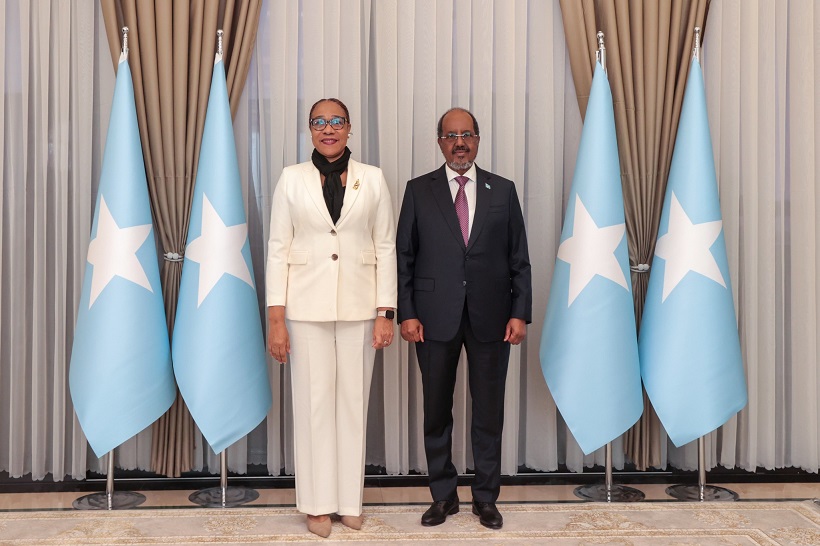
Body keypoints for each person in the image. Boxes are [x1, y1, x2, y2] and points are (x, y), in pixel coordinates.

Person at [265, 98, 397, 538]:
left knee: (353, 405)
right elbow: (278, 249)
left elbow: (385, 247)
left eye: (336, 121)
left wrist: (385, 312)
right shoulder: (291, 179)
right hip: (304, 309)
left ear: (349, 127)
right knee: (313, 405)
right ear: (309, 129)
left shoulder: (373, 179)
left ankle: (348, 502)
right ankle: (317, 504)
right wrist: (276, 319)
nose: (328, 128)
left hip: (361, 308)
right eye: (319, 122)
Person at [396, 107, 532, 530]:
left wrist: (520, 313)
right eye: (451, 135)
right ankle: (443, 496)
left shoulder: (503, 190)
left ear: (477, 139)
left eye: (467, 134)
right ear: (440, 141)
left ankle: (485, 499)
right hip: (433, 318)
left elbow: (519, 259)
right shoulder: (418, 190)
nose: (460, 143)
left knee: (488, 412)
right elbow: (404, 257)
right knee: (436, 410)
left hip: (493, 317)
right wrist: (407, 313)